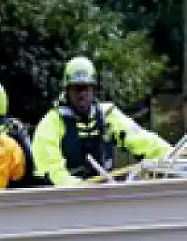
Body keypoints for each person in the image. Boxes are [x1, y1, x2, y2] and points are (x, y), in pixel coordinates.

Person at [31, 56, 172, 187]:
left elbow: (144, 141)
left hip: (103, 192)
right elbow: (51, 171)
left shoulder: (107, 115)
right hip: (67, 199)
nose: (82, 94)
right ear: (67, 90)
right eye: (76, 88)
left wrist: (171, 155)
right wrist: (81, 187)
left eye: (86, 88)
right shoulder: (51, 124)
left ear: (93, 89)